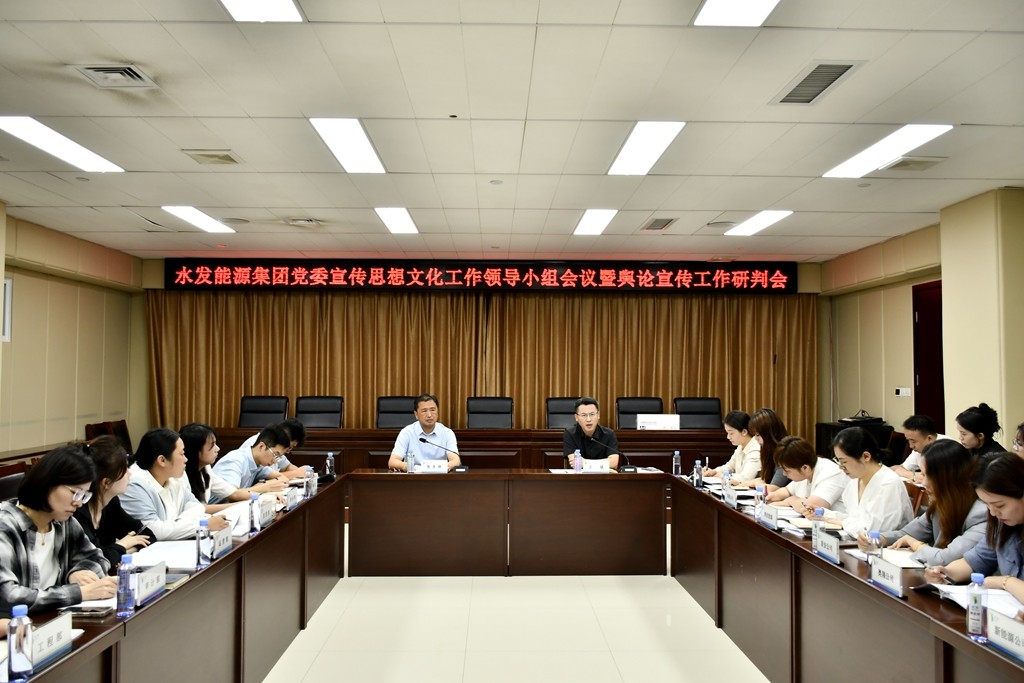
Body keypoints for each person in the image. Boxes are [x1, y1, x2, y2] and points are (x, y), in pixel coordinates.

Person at [0, 445, 118, 615]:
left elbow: (97, 558)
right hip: (17, 626)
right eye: (75, 492)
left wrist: (78, 572)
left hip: (53, 619)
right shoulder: (5, 526)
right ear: (47, 482)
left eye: (84, 496)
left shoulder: (64, 522)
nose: (79, 503)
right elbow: (7, 597)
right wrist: (79, 593)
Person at [925, 453, 1024, 607]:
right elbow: (978, 559)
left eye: (999, 505)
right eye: (987, 505)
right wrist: (945, 573)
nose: (993, 513)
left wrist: (1006, 582)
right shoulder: (1002, 525)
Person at [870, 439, 986, 565]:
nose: (924, 483)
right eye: (923, 475)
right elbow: (906, 534)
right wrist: (879, 539)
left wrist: (916, 544)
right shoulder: (941, 504)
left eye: (928, 476)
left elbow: (944, 558)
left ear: (949, 478)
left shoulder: (981, 514)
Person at [120, 428, 220, 540]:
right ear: (162, 460)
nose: (186, 459)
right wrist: (201, 525)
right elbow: (153, 531)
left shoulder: (173, 476)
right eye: (182, 454)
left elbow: (195, 505)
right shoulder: (134, 484)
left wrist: (177, 524)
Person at [73, 436, 153, 573]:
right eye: (125, 469)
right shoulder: (78, 511)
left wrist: (122, 551)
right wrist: (123, 544)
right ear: (106, 482)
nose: (130, 474)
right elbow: (96, 560)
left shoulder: (111, 503)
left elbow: (148, 536)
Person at [822, 427, 913, 537]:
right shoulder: (855, 479)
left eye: (844, 462)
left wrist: (843, 523)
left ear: (866, 456)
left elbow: (875, 532)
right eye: (838, 460)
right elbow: (854, 518)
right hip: (857, 541)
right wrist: (823, 514)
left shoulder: (888, 484)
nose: (841, 467)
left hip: (885, 545)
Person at [181, 423, 286, 512]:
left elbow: (233, 493)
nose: (217, 449)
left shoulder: (205, 469)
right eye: (212, 445)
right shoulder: (181, 476)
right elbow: (198, 509)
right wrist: (250, 503)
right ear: (195, 449)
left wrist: (266, 497)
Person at [765, 436, 847, 514]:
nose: (784, 474)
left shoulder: (831, 473)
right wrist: (774, 495)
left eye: (787, 471)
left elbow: (812, 507)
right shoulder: (805, 470)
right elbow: (787, 491)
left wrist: (790, 501)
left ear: (805, 468)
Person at [387, 394, 461, 472]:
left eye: (433, 410)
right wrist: (409, 467)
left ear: (438, 413)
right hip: (414, 477)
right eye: (424, 411)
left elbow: (456, 460)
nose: (429, 415)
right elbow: (392, 461)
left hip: (440, 477)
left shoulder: (447, 433)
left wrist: (444, 467)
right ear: (416, 415)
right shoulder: (407, 433)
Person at [211, 424, 293, 494]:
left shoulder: (259, 464)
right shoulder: (235, 460)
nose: (275, 461)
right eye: (275, 455)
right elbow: (233, 495)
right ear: (261, 446)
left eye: (279, 457)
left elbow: (283, 478)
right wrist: (265, 487)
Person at [734, 407, 789, 491]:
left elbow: (773, 488)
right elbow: (764, 480)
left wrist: (756, 483)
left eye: (758, 435)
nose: (756, 439)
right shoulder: (769, 451)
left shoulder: (785, 453)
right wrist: (743, 484)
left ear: (771, 433)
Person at [561, 397, 620, 470]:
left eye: (592, 414)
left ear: (598, 415)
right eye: (584, 415)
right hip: (578, 476)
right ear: (576, 417)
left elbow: (614, 463)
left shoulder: (609, 434)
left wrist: (584, 462)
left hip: (602, 476)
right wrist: (604, 463)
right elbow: (575, 462)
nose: (588, 419)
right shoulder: (570, 433)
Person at [891, 414, 952, 483]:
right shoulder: (919, 450)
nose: (911, 446)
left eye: (913, 441)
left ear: (929, 438)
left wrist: (907, 474)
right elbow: (901, 468)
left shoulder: (947, 447)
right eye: (908, 441)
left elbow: (938, 478)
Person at [703, 410, 760, 481]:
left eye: (731, 433)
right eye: (727, 433)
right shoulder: (741, 446)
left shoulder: (756, 448)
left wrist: (722, 476)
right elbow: (729, 466)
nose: (728, 437)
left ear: (744, 432)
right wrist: (714, 471)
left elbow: (746, 478)